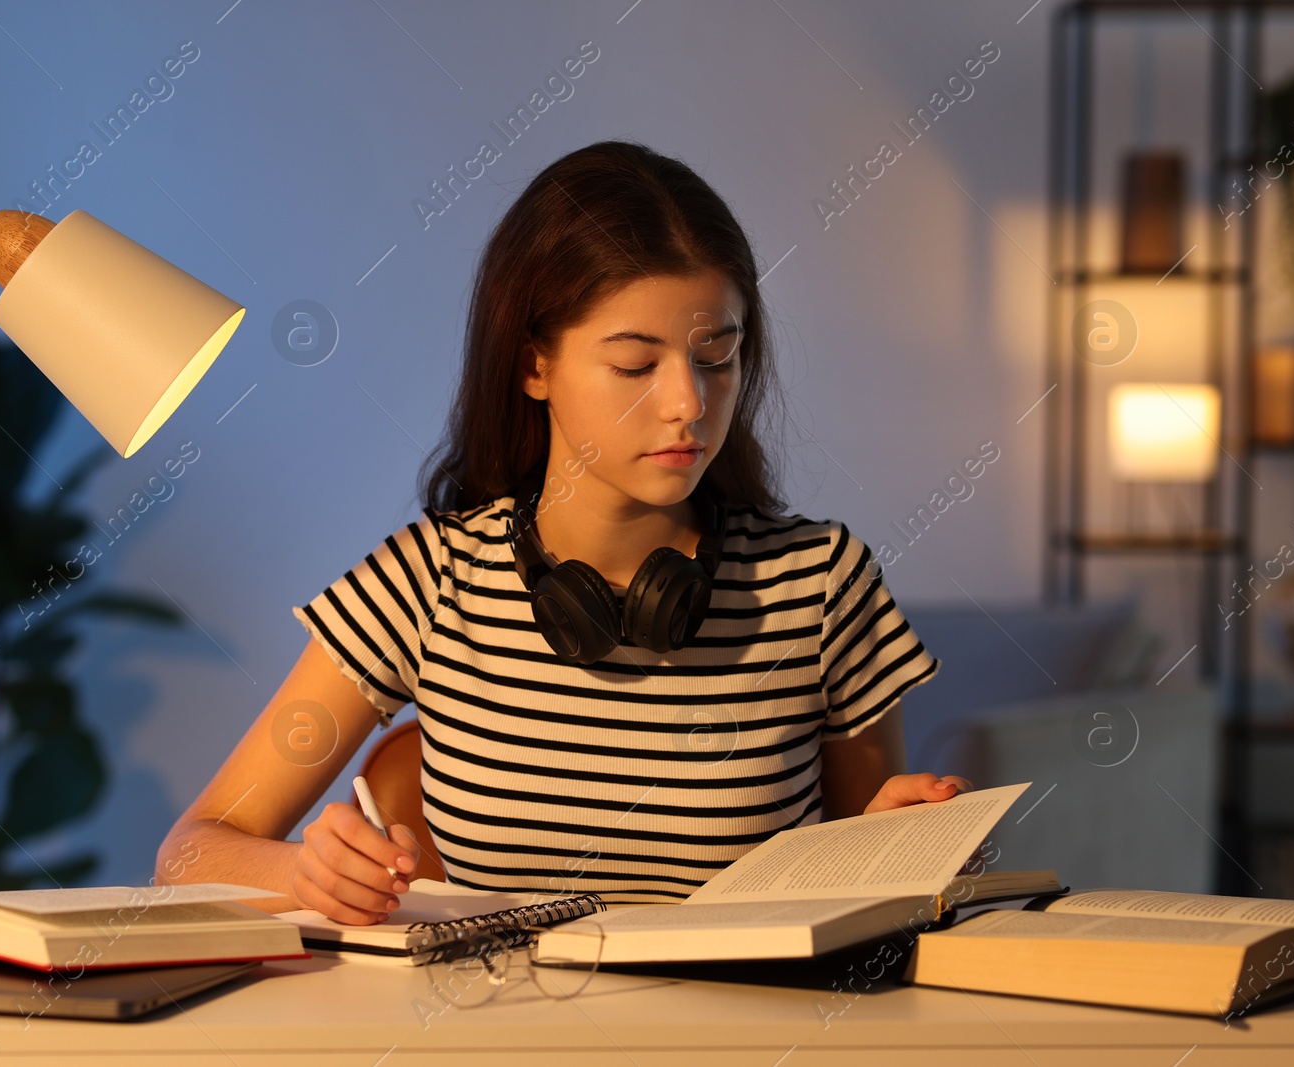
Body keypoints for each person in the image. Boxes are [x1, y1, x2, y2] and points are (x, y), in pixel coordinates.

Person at [156, 140, 968, 925]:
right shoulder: (430, 581)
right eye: (635, 364)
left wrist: (892, 853)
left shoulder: (821, 584)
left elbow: (861, 898)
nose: (688, 402)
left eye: (715, 356)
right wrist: (307, 873)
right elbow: (189, 854)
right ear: (534, 364)